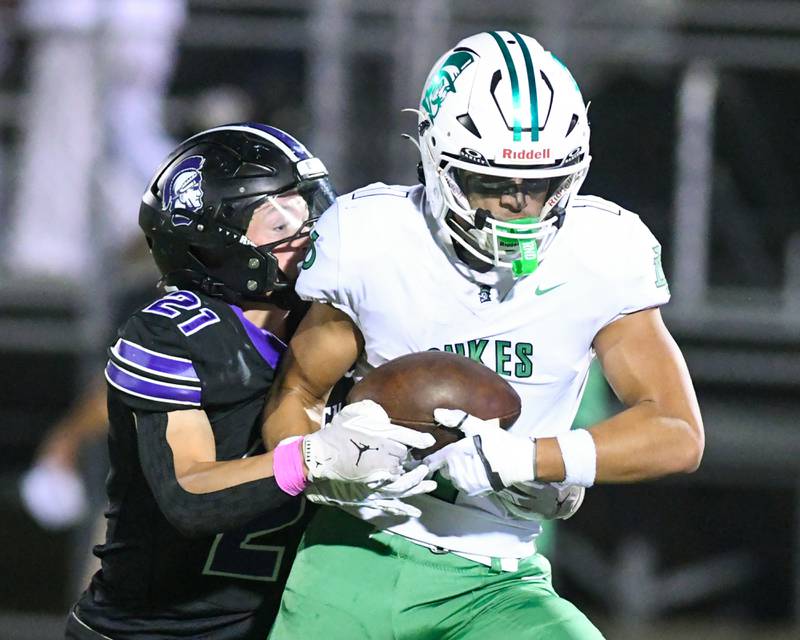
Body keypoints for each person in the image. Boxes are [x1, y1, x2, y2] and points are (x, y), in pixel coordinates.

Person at [264, 31, 704, 639]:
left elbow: (677, 432)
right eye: (491, 183)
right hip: (353, 554)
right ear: (436, 160)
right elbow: (295, 398)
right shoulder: (370, 238)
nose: (517, 207)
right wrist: (323, 462)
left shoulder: (603, 251)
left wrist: (532, 458)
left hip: (498, 580)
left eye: (541, 184)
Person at [66, 123, 435, 640]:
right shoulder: (173, 333)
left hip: (285, 627)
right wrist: (310, 458)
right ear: (211, 240)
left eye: (304, 203)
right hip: (154, 632)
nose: (303, 225)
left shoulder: (341, 320)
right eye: (274, 214)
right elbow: (190, 494)